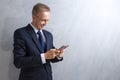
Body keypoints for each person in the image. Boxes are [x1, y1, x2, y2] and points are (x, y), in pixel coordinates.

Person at [13, 3, 64, 80]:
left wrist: (58, 55)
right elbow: (18, 62)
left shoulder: (48, 35)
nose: (46, 24)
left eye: (47, 20)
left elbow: (51, 58)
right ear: (34, 17)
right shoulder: (21, 33)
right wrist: (44, 56)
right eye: (43, 20)